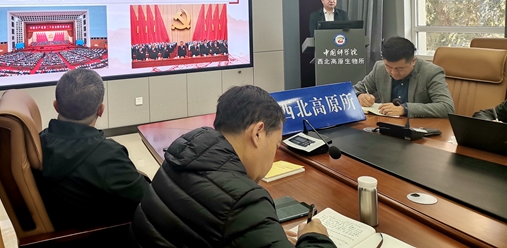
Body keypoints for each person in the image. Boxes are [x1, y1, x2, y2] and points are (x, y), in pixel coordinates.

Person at [130, 85, 335, 248]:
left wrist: (264, 234)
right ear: (257, 133)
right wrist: (315, 237)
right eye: (275, 145)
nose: (272, 158)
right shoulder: (244, 200)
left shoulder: (181, 155)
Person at [38, 68, 150, 230]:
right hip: (105, 235)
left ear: (56, 106)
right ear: (101, 110)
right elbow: (150, 201)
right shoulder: (108, 156)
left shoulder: (39, 142)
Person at [354, 37, 455, 118]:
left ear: (413, 61)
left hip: (419, 128)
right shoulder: (379, 68)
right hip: (386, 125)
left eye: (400, 68)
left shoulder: (431, 72)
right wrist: (359, 96)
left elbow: (447, 107)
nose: (393, 72)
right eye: (388, 67)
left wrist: (405, 109)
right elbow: (353, 90)